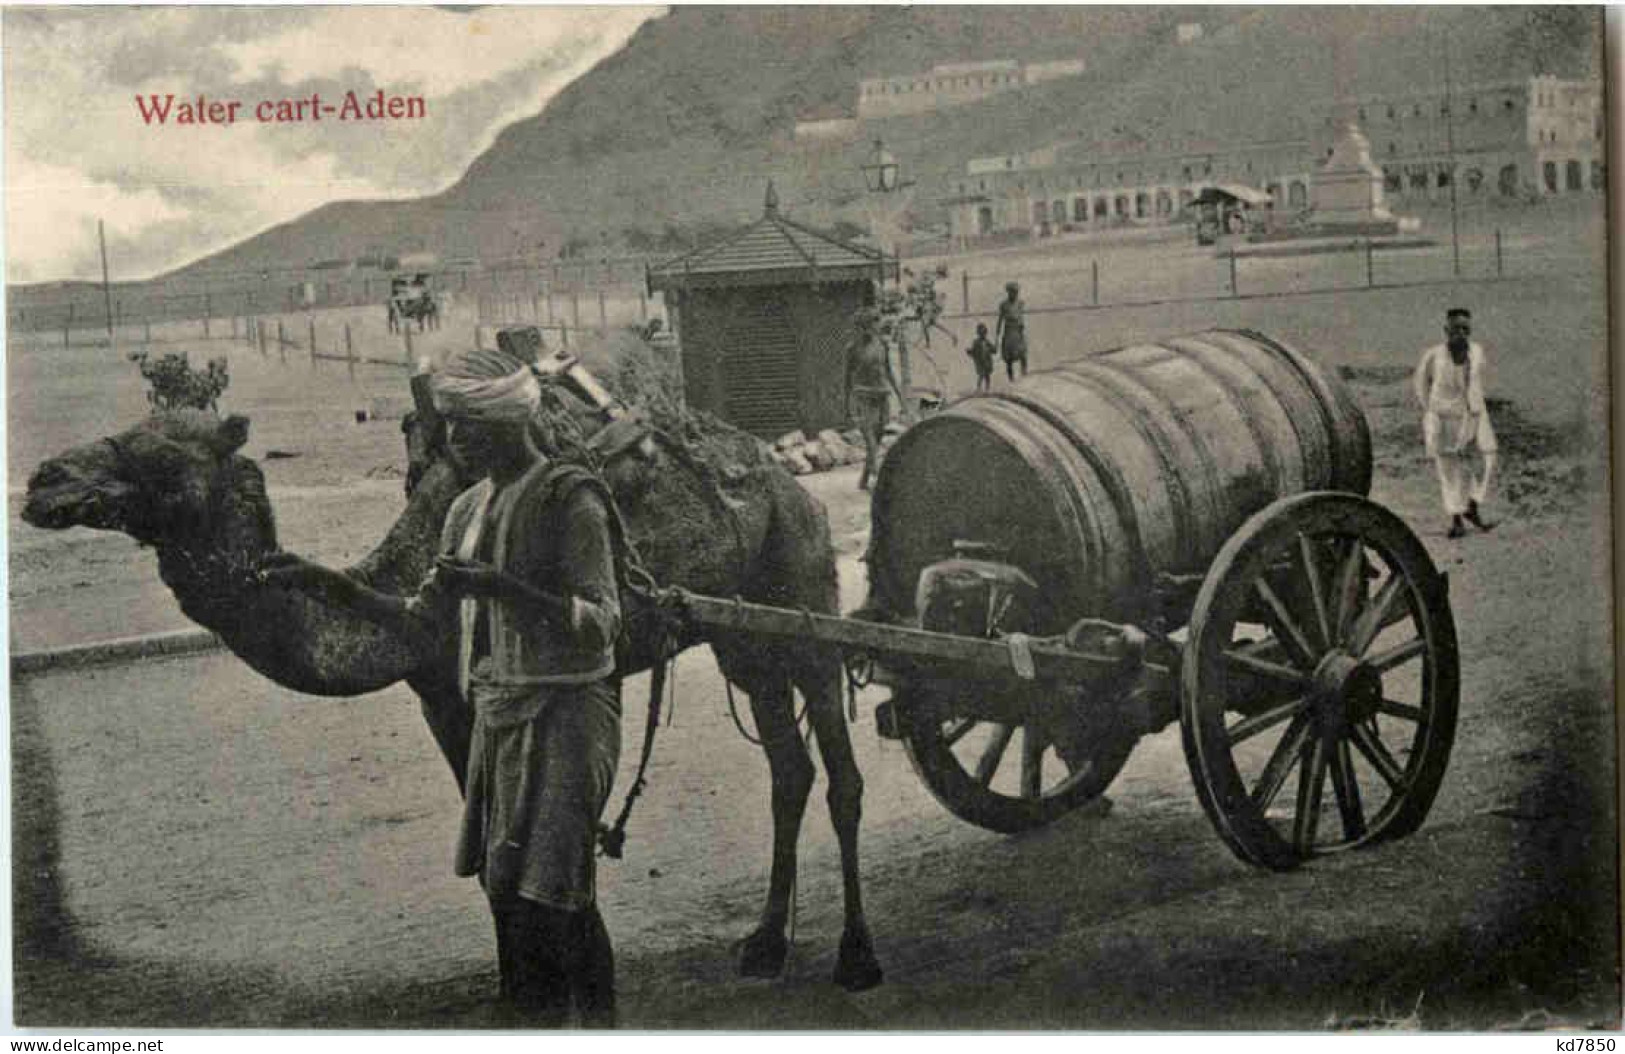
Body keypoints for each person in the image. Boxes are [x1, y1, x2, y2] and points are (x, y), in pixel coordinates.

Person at [262, 345, 625, 1027]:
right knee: (510, 896)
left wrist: (504, 591)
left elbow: (601, 623)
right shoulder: (465, 511)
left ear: (507, 422)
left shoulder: (568, 498)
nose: (452, 440)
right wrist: (314, 580)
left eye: (463, 426)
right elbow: (416, 617)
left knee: (561, 898)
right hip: (497, 718)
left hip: (569, 713)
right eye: (449, 426)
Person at [1414, 307, 1498, 539]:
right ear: (1446, 330)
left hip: (1474, 415)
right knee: (1450, 468)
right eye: (1456, 329)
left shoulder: (1477, 351)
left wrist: (1475, 406)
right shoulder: (1433, 356)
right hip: (1445, 418)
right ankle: (1456, 519)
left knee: (1487, 457)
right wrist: (1431, 410)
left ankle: (1472, 505)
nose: (1461, 333)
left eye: (1465, 329)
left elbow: (1475, 382)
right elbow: (1421, 383)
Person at [846, 307, 901, 491]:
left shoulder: (882, 345)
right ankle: (879, 482)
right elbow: (847, 378)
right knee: (870, 442)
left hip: (882, 397)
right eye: (870, 325)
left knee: (875, 442)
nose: (874, 328)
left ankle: (863, 479)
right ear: (863, 327)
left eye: (875, 324)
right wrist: (848, 404)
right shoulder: (853, 349)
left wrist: (900, 396)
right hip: (863, 399)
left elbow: (889, 372)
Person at [994, 281, 1028, 381]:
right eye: (1012, 291)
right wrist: (997, 334)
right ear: (1008, 292)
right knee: (1008, 357)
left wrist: (1022, 327)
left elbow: (1021, 316)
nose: (1014, 293)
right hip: (1008, 331)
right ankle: (1011, 378)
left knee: (1022, 353)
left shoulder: (1020, 303)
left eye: (1016, 292)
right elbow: (1000, 319)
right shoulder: (1004, 305)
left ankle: (1024, 373)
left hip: (1018, 331)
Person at [967, 322, 996, 392]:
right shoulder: (976, 342)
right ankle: (979, 388)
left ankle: (987, 388)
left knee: (987, 376)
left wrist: (994, 348)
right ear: (978, 334)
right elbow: (973, 352)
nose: (983, 335)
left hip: (987, 362)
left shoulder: (987, 342)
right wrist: (969, 351)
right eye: (981, 333)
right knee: (981, 375)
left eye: (984, 333)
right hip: (980, 362)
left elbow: (994, 350)